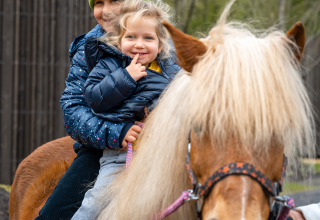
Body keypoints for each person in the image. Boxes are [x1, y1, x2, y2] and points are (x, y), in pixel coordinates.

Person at [71, 0, 180, 219]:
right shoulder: (108, 64)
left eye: (148, 38)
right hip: (119, 153)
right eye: (131, 37)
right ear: (119, 41)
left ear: (160, 44)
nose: (139, 44)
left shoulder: (172, 69)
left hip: (160, 154)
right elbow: (93, 99)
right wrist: (125, 78)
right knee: (95, 203)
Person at [35, 0, 126, 219]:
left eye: (115, 0)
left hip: (156, 147)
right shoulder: (88, 47)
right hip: (100, 150)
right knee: (52, 215)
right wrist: (117, 133)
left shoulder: (162, 41)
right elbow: (73, 109)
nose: (105, 11)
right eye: (98, 3)